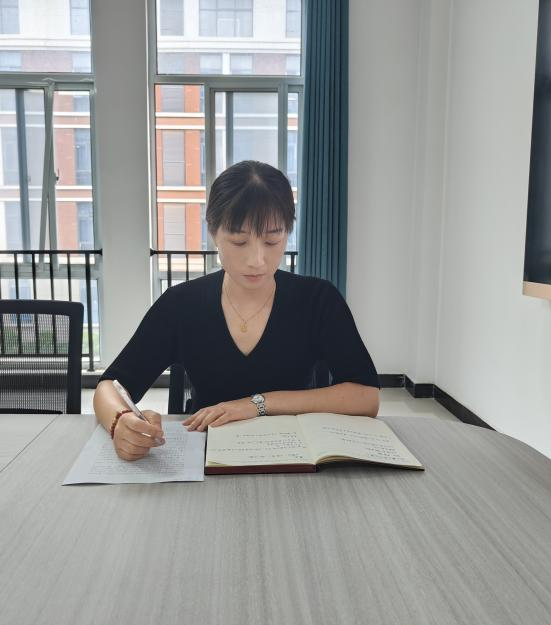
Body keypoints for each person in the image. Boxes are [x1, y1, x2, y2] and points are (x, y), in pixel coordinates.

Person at [94, 160, 380, 461]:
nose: (257, 260)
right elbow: (110, 386)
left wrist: (256, 404)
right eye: (239, 241)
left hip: (295, 460)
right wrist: (121, 421)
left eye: (272, 240)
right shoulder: (181, 304)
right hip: (204, 460)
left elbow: (366, 396)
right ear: (213, 231)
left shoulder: (317, 299)